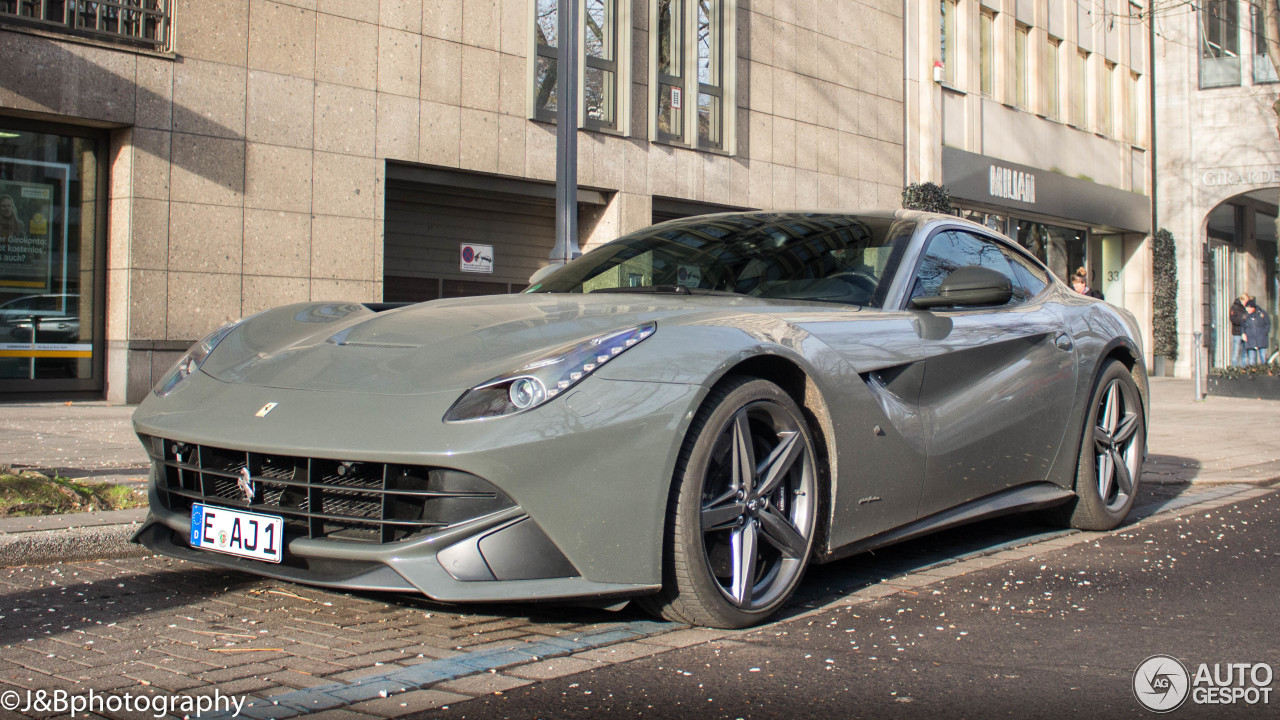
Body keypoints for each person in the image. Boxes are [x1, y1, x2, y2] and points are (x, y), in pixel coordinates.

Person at [1241, 299, 1270, 365]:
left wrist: (1264, 333)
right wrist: (1243, 333)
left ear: (1252, 308)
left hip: (1261, 339)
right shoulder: (1245, 316)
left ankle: (1265, 372)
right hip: (1250, 340)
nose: (1247, 309)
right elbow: (1242, 326)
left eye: (1248, 308)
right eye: (1246, 308)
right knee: (1252, 360)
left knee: (1263, 358)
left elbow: (1267, 324)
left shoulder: (1261, 314)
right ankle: (1252, 374)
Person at [1229, 293, 1250, 366]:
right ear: (1242, 300)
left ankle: (1243, 369)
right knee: (1236, 352)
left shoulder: (1246, 308)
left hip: (1245, 333)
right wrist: (1243, 321)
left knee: (1245, 353)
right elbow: (1233, 319)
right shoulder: (1234, 307)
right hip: (1237, 333)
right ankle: (1234, 369)